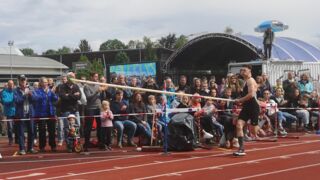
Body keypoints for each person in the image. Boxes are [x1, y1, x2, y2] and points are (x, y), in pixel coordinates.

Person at [234, 65, 260, 156]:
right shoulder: (245, 82)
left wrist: (240, 100)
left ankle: (258, 128)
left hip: (253, 107)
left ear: (249, 71)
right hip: (246, 107)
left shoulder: (250, 81)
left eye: (244, 70)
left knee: (253, 132)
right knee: (239, 125)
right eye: (241, 70)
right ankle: (241, 148)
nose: (242, 71)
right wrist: (239, 102)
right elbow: (246, 97)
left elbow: (251, 95)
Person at [31, 77, 58, 152]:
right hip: (41, 113)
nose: (46, 83)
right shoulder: (37, 91)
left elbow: (55, 99)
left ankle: (53, 146)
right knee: (42, 131)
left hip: (51, 112)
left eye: (46, 82)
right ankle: (42, 147)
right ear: (41, 83)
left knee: (52, 130)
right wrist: (45, 93)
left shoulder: (50, 91)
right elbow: (36, 98)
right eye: (44, 82)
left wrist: (53, 92)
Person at [14, 75, 37, 155]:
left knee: (31, 131)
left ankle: (30, 148)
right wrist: (24, 95)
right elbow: (17, 101)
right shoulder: (16, 90)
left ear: (26, 80)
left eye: (24, 80)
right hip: (20, 114)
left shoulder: (31, 89)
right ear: (19, 81)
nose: (23, 82)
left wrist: (31, 95)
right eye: (22, 80)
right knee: (21, 133)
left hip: (30, 113)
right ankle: (22, 149)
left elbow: (35, 99)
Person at [58, 72, 82, 146]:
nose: (73, 78)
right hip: (66, 109)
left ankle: (76, 142)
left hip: (75, 109)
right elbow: (63, 97)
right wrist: (73, 95)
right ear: (69, 78)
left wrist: (69, 95)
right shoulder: (62, 86)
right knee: (67, 127)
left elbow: (79, 97)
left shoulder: (76, 86)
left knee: (77, 125)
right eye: (72, 77)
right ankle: (69, 144)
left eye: (74, 77)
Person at [83, 72, 105, 152]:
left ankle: (101, 143)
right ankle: (86, 144)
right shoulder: (86, 86)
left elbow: (103, 97)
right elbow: (89, 98)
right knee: (88, 127)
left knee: (100, 126)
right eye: (95, 76)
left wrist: (103, 90)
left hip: (98, 108)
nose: (97, 78)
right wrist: (97, 92)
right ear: (91, 77)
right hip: (90, 108)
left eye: (97, 76)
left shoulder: (98, 84)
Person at [1, 80, 16, 145]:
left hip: (17, 111)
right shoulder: (4, 92)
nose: (11, 85)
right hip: (9, 112)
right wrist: (13, 100)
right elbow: (5, 101)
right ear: (8, 85)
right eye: (10, 84)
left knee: (18, 126)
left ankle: (17, 139)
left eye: (12, 84)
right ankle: (10, 139)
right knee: (10, 127)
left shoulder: (15, 91)